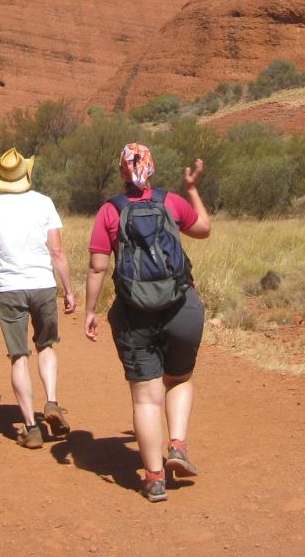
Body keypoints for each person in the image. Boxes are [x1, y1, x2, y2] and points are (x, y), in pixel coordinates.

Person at [84, 143, 211, 502]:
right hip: (181, 307)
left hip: (134, 314)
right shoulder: (170, 202)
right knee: (180, 379)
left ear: (122, 172)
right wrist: (191, 189)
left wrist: (91, 311)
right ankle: (178, 445)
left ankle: (154, 478)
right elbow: (203, 229)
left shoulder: (109, 211)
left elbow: (97, 267)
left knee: (146, 399)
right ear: (151, 169)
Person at [0, 148, 76, 448]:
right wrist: (69, 289)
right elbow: (57, 251)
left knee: (18, 356)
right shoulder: (44, 203)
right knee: (46, 345)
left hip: (10, 289)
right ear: (25, 174)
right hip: (43, 285)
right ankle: (51, 401)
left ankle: (31, 428)